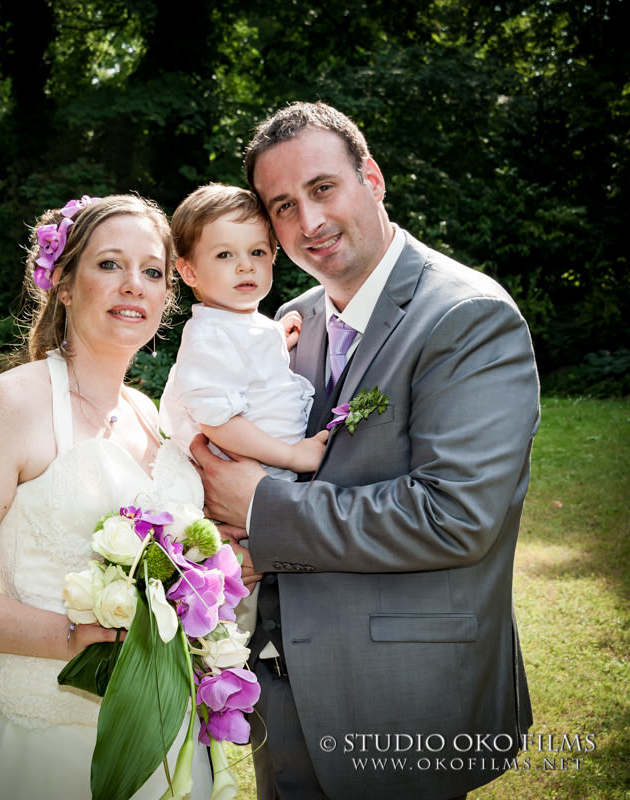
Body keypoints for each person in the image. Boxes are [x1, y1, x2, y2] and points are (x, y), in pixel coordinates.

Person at [190, 102, 539, 800]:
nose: (308, 223)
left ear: (372, 179)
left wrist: (261, 506)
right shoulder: (291, 322)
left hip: (399, 700)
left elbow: (454, 516)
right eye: (282, 206)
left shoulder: (467, 316)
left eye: (323, 189)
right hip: (279, 691)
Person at [0, 194, 213, 800]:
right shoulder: (9, 405)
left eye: (152, 271)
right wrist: (73, 639)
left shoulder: (154, 417)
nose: (134, 285)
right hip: (30, 737)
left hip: (158, 735)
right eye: (109, 265)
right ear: (65, 285)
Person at [159, 183, 328, 481]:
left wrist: (276, 339)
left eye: (258, 252)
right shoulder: (209, 337)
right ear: (189, 272)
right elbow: (217, 421)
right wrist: (292, 455)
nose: (246, 266)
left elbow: (248, 368)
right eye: (225, 255)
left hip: (272, 482)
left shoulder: (238, 326)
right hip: (246, 478)